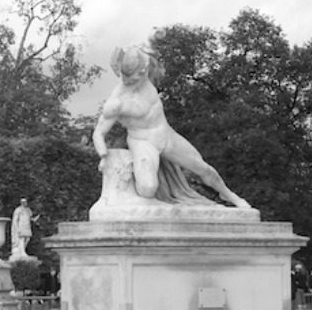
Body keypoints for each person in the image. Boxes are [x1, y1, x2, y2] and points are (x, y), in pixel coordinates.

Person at [93, 46, 251, 208]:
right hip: (143, 142)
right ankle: (137, 192)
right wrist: (104, 156)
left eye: (144, 70)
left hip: (166, 135)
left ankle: (229, 195)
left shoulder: (144, 73)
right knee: (147, 188)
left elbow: (144, 53)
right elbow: (98, 133)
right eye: (139, 73)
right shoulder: (116, 102)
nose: (144, 74)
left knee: (204, 169)